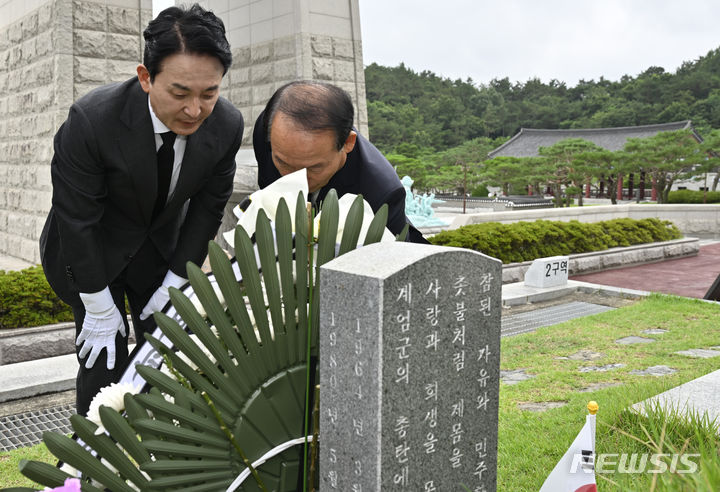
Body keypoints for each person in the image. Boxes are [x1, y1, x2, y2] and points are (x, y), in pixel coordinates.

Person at [39, 4, 244, 416]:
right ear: (146, 77)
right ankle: (93, 466)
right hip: (94, 251)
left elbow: (208, 209)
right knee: (103, 362)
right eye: (180, 93)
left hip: (162, 250)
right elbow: (76, 219)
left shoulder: (227, 125)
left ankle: (161, 456)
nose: (194, 110)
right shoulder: (92, 120)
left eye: (209, 93)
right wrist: (97, 305)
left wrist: (174, 279)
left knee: (167, 356)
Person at [252, 80, 428, 243]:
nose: (296, 180)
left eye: (314, 168)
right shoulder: (267, 130)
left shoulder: (381, 191)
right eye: (284, 163)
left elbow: (391, 264)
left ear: (348, 143)